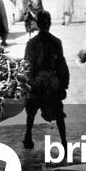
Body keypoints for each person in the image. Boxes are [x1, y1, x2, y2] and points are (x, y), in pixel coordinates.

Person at [23, 10, 69, 150]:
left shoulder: (31, 43)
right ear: (49, 24)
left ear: (37, 24)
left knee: (31, 111)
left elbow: (27, 65)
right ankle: (64, 142)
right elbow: (61, 65)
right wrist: (63, 85)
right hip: (52, 82)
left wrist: (29, 83)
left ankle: (28, 135)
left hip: (37, 82)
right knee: (59, 113)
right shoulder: (56, 42)